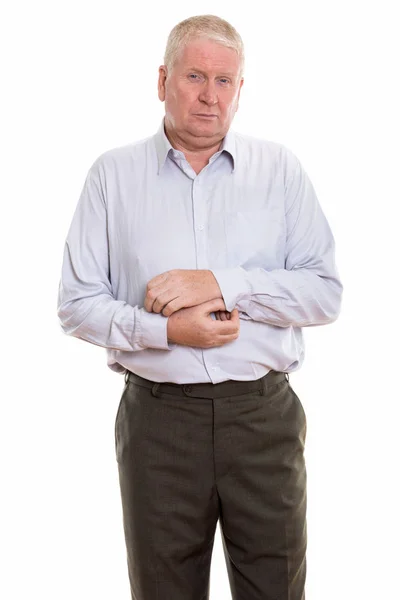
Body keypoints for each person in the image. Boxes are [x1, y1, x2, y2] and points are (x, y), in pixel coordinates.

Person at [57, 13, 343, 600]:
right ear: (163, 80)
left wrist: (220, 283)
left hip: (262, 419)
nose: (209, 96)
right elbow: (76, 303)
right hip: (159, 424)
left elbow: (324, 293)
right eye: (194, 76)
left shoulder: (280, 170)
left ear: (241, 90)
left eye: (224, 81)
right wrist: (165, 331)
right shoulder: (113, 176)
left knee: (277, 591)